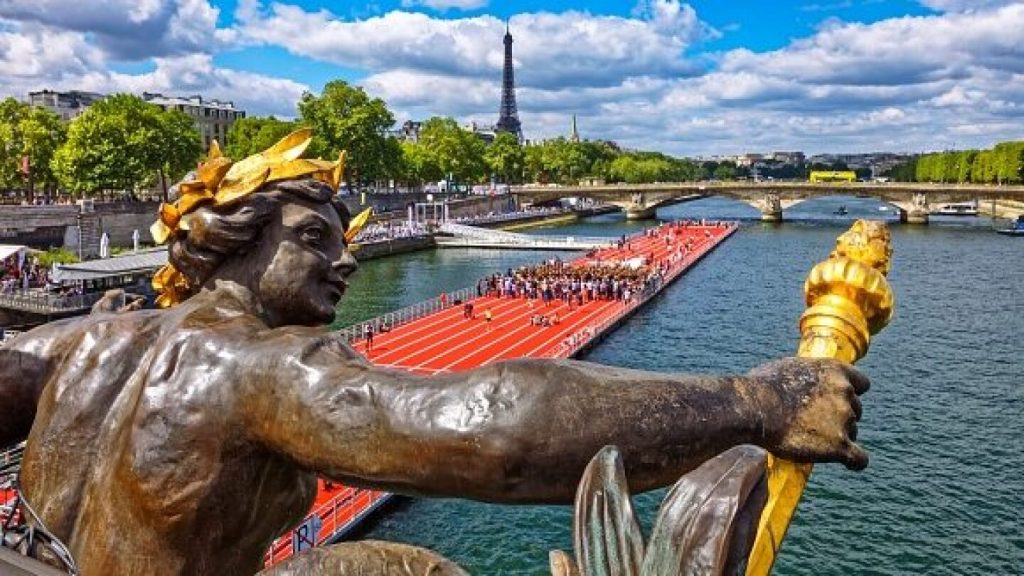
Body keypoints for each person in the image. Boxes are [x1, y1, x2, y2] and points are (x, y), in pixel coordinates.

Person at [0, 135, 869, 576]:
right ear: (232, 240)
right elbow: (495, 430)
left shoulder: (84, 340)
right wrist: (757, 404)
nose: (344, 258)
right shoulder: (256, 367)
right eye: (314, 237)